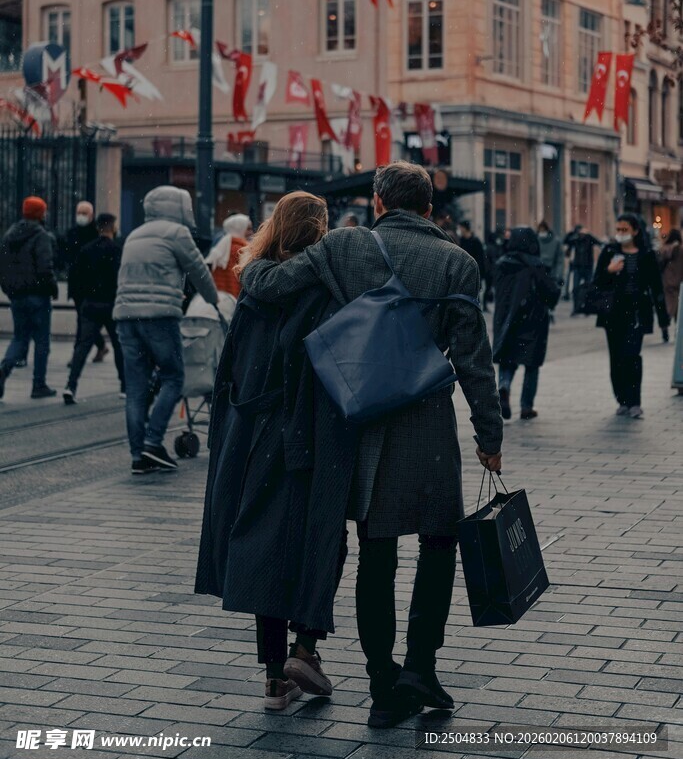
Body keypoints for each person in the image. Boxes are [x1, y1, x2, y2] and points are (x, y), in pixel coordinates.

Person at [239, 162, 503, 729]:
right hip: (429, 427)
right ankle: (420, 668)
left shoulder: (344, 248)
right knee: (438, 549)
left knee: (375, 555)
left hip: (363, 426)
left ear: (378, 203)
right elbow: (475, 361)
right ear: (430, 209)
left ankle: (382, 684)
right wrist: (490, 436)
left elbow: (267, 285)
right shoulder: (457, 262)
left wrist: (263, 248)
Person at [196, 192, 357, 713]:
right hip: (314, 435)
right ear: (320, 229)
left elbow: (236, 369)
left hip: (257, 437)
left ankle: (273, 679)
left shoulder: (254, 283)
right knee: (322, 541)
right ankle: (305, 649)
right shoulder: (328, 285)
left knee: (265, 546)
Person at [114, 186, 218, 475]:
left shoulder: (135, 233)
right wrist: (214, 301)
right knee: (173, 377)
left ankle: (139, 456)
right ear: (180, 207)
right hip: (159, 317)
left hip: (125, 317)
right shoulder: (176, 233)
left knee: (136, 388)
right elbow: (198, 270)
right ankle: (152, 441)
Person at [593, 213, 669, 418]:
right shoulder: (609, 252)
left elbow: (656, 286)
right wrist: (609, 271)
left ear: (635, 231)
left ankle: (634, 401)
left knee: (632, 357)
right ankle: (622, 400)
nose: (620, 234)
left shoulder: (646, 255)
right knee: (616, 358)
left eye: (624, 230)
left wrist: (663, 319)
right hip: (613, 314)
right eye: (618, 229)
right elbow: (596, 282)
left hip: (636, 313)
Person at [493, 227, 561, 421]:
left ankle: (503, 386)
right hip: (532, 319)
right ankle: (526, 406)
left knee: (507, 358)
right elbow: (550, 291)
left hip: (506, 319)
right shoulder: (535, 265)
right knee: (531, 363)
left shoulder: (501, 264)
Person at [63, 214, 125, 405]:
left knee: (83, 346)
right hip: (112, 303)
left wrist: (82, 299)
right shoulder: (117, 250)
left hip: (90, 303)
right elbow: (121, 277)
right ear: (112, 228)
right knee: (118, 345)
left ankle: (71, 386)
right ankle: (124, 385)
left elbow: (76, 276)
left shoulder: (86, 249)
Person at [0, 197, 58, 400]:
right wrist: (52, 288)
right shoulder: (41, 235)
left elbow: (4, 267)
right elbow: (45, 267)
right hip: (38, 295)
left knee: (19, 338)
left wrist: (9, 289)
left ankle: (4, 368)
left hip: (17, 296)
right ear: (41, 213)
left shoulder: (9, 235)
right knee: (42, 342)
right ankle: (38, 384)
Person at [63, 202, 108, 364]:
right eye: (79, 212)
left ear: (91, 215)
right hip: (77, 284)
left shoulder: (95, 234)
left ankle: (77, 355)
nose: (81, 216)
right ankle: (101, 345)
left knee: (84, 320)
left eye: (84, 213)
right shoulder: (72, 233)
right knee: (84, 319)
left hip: (90, 283)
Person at [205, 214, 252, 300]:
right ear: (240, 229)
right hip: (233, 296)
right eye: (248, 229)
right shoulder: (240, 249)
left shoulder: (223, 244)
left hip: (220, 294)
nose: (250, 232)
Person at [567, 224, 601, 315]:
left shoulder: (589, 238)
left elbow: (599, 242)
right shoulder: (575, 239)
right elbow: (566, 241)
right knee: (575, 289)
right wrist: (571, 232)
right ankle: (576, 308)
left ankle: (587, 308)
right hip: (577, 267)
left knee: (588, 289)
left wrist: (589, 234)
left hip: (588, 267)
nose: (581, 234)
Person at [658, 228, 683, 322]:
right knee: (680, 306)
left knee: (670, 303)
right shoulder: (681, 249)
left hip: (667, 280)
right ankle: (678, 327)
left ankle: (667, 318)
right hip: (680, 280)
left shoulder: (663, 249)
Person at [536, 221, 564, 286]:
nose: (542, 232)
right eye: (541, 230)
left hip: (548, 272)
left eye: (543, 230)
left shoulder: (556, 241)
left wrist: (559, 275)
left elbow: (559, 260)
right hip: (542, 272)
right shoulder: (535, 240)